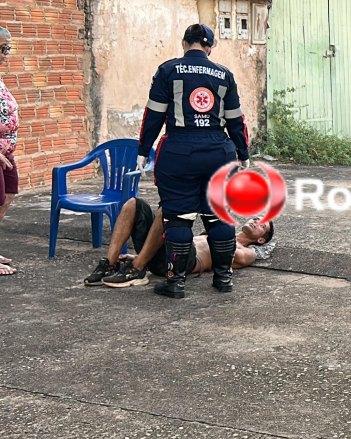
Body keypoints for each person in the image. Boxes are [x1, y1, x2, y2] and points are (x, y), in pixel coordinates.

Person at [139, 24, 250, 299]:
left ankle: (175, 282)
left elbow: (153, 115)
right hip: (219, 152)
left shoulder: (168, 70)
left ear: (184, 43)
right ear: (209, 47)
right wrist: (243, 153)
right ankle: (224, 278)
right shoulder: (225, 74)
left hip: (179, 150)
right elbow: (236, 119)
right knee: (218, 214)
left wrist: (143, 149)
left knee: (178, 216)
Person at [83, 197, 274, 287]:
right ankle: (109, 264)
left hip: (185, 262)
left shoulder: (247, 251)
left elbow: (237, 257)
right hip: (167, 253)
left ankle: (137, 268)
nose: (256, 221)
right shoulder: (214, 232)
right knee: (134, 204)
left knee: (169, 211)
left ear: (260, 239)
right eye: (257, 218)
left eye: (262, 225)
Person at [0, 26, 18, 276]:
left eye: (8, 49)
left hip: (7, 152)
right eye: (3, 48)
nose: (6, 54)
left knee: (9, 195)